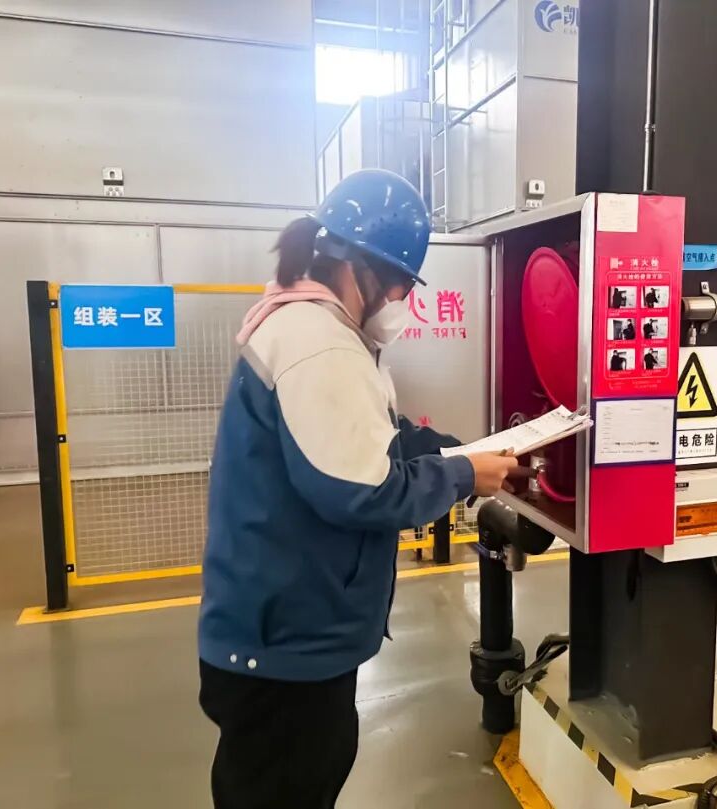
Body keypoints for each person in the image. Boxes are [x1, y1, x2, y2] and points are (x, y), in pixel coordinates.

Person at [197, 169, 519, 809]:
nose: (401, 299)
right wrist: (464, 475)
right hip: (288, 647)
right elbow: (362, 490)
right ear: (359, 267)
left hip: (285, 631)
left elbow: (379, 441)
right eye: (401, 282)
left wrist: (465, 452)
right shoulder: (320, 343)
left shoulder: (317, 330)